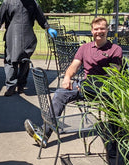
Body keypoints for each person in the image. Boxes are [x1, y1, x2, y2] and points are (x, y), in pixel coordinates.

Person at [24, 17, 123, 148]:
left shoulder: (115, 50)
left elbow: (113, 73)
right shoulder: (84, 48)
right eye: (96, 29)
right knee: (60, 93)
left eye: (102, 29)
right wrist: (67, 77)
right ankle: (44, 133)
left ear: (107, 30)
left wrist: (90, 86)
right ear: (92, 31)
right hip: (84, 87)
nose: (99, 31)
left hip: (104, 90)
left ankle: (116, 144)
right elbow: (74, 66)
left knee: (114, 103)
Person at [0, 0, 57, 96]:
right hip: (11, 36)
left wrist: (48, 28)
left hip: (27, 37)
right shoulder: (8, 2)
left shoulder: (32, 3)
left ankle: (21, 85)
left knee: (24, 62)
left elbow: (41, 18)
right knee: (10, 62)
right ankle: (11, 86)